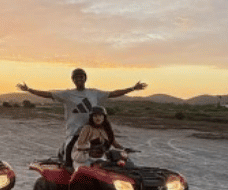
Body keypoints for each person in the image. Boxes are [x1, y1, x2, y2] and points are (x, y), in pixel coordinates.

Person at [17, 69, 146, 165]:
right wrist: (29, 90)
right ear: (73, 80)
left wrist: (132, 88)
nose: (79, 79)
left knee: (105, 151)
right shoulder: (67, 94)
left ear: (85, 78)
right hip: (74, 131)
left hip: (93, 129)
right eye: (76, 77)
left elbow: (113, 93)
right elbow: (48, 94)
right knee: (70, 155)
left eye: (81, 76)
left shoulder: (94, 93)